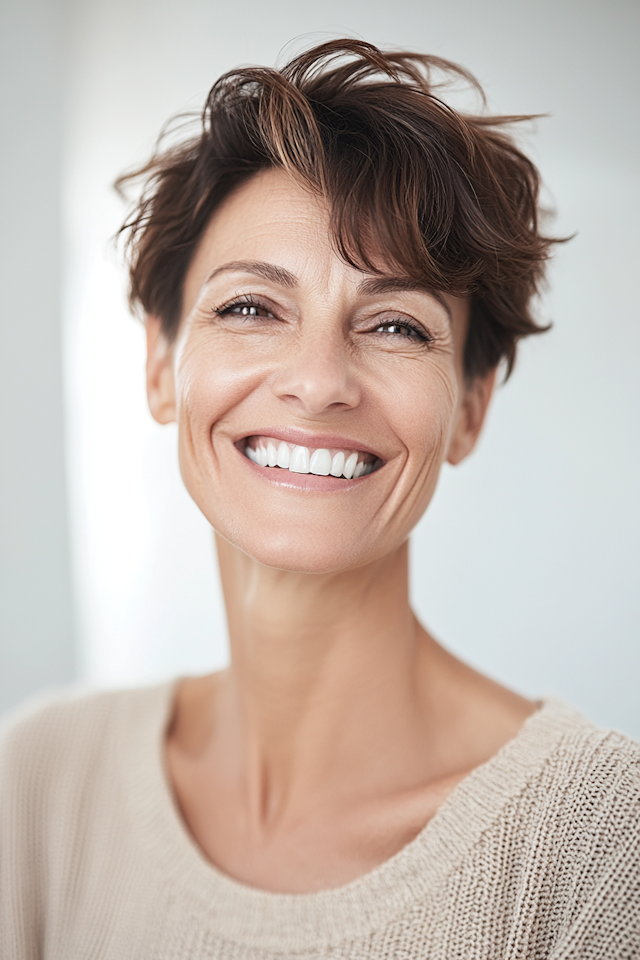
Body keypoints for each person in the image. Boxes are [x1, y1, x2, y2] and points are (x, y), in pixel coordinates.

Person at [1, 39, 638, 960]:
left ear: (468, 407)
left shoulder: (599, 845)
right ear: (158, 365)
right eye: (251, 308)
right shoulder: (42, 783)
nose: (318, 381)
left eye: (394, 325)